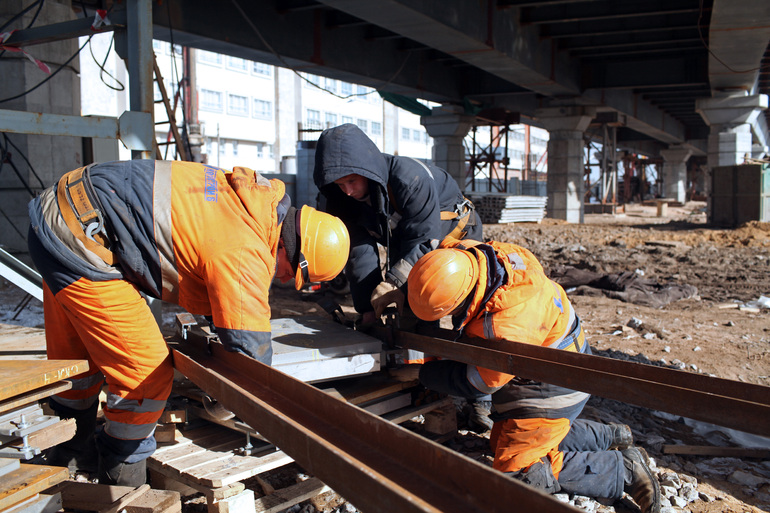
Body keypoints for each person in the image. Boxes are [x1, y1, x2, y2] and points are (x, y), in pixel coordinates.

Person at [27, 160, 350, 486]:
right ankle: (122, 481)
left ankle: (68, 455)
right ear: (289, 248)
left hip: (60, 213)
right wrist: (241, 405)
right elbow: (252, 357)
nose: (281, 278)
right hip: (84, 242)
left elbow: (202, 261)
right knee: (146, 375)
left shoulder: (249, 201)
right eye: (289, 273)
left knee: (78, 362)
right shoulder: (247, 249)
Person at [401, 238, 661, 513]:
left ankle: (624, 469)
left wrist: (422, 372)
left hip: (555, 384)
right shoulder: (473, 256)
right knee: (499, 440)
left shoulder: (506, 328)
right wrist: (397, 286)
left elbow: (478, 383)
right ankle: (607, 436)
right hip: (569, 358)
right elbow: (432, 243)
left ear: (461, 299)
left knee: (516, 470)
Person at [313, 123, 492, 430]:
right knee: (401, 314)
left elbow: (422, 242)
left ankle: (480, 400)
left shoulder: (410, 179)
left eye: (352, 181)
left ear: (367, 169)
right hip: (408, 242)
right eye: (340, 184)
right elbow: (359, 252)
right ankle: (419, 384)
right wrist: (369, 309)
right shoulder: (340, 198)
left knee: (456, 312)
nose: (348, 191)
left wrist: (394, 285)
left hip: (453, 238)